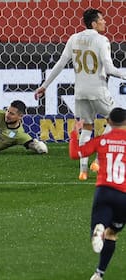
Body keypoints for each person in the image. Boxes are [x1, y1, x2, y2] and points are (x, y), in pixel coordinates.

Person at [35, 8, 126, 181]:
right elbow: (109, 69)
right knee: (116, 122)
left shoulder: (73, 38)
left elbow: (60, 64)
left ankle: (83, 171)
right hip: (98, 90)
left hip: (80, 92)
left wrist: (44, 85)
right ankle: (98, 160)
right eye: (102, 19)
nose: (104, 22)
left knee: (86, 128)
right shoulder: (102, 40)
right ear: (93, 23)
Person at [69, 108, 126, 280]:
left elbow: (75, 154)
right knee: (112, 234)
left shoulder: (101, 141)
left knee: (99, 227)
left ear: (108, 122)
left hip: (104, 191)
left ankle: (98, 228)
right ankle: (99, 273)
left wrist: (73, 133)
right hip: (123, 195)